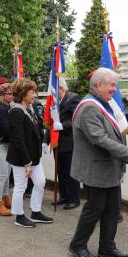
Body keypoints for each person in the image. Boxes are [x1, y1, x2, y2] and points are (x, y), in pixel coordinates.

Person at [68, 67, 128, 257]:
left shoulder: (104, 103)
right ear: (99, 84)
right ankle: (78, 245)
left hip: (108, 169)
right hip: (96, 170)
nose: (115, 89)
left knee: (111, 209)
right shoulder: (90, 107)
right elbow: (100, 139)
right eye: (112, 85)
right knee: (94, 208)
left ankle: (107, 246)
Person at [7, 78, 53, 228]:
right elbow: (18, 141)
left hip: (33, 156)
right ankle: (19, 216)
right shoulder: (16, 111)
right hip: (22, 158)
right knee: (20, 186)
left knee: (40, 182)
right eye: (32, 92)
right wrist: (27, 163)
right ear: (23, 94)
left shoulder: (30, 109)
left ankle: (36, 212)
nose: (35, 95)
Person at [43, 77, 81, 210]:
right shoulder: (54, 102)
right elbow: (51, 123)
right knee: (61, 172)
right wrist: (45, 141)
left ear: (61, 88)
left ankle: (74, 199)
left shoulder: (73, 98)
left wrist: (63, 125)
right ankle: (64, 196)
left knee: (71, 172)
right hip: (57, 144)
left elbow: (78, 119)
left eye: (55, 89)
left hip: (69, 143)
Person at [0, 83, 14, 216]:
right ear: (2, 95)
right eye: (10, 94)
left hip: (6, 144)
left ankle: (6, 198)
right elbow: (6, 129)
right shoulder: (0, 109)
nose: (12, 96)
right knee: (3, 175)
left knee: (7, 172)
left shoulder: (6, 107)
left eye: (12, 93)